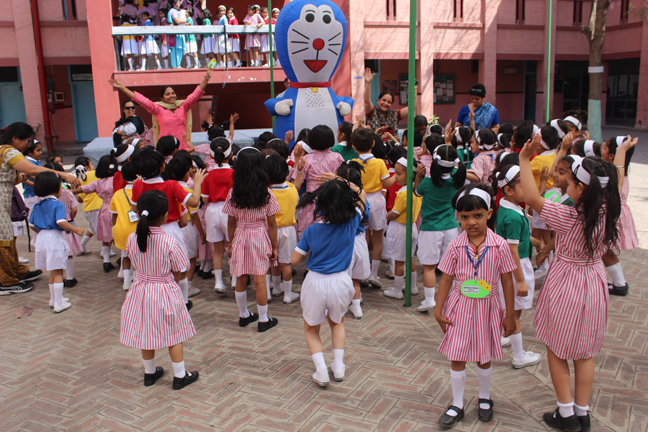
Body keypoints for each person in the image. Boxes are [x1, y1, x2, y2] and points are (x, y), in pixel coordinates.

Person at [519, 135, 620, 431]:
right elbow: (617, 174)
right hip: (595, 280)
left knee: (557, 348)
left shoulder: (569, 215)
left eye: (571, 182)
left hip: (567, 280)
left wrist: (524, 159)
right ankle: (582, 412)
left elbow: (532, 199)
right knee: (585, 352)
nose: (565, 184)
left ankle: (565, 413)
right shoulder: (609, 210)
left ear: (582, 188)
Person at [435, 184, 517, 428]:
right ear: (458, 217)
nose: (471, 222)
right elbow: (446, 279)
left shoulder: (500, 245)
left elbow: (507, 281)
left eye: (478, 215)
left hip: (488, 307)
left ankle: (484, 397)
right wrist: (438, 310)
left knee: (484, 355)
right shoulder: (455, 245)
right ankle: (457, 403)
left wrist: (510, 315)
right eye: (465, 217)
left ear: (489, 214)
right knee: (457, 354)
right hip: (459, 307)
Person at [119, 190, 199, 391]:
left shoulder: (132, 238)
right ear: (165, 216)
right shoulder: (169, 240)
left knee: (146, 331)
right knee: (174, 333)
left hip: (140, 289)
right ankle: (180, 376)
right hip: (164, 289)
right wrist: (172, 283)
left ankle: (149, 373)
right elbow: (180, 269)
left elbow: (131, 259)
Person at [292, 177, 367, 386]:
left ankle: (321, 370)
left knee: (311, 328)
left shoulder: (312, 230)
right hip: (341, 281)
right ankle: (339, 366)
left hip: (315, 282)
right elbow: (362, 194)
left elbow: (294, 259)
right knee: (337, 322)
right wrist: (340, 179)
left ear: (321, 204)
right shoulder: (352, 222)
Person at [1, 123, 81, 293]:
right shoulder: (8, 151)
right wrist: (63, 175)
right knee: (4, 238)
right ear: (14, 138)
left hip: (5, 202)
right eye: (26, 141)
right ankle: (4, 280)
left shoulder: (5, 151)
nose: (27, 145)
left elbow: (26, 173)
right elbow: (31, 169)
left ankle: (13, 271)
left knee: (8, 236)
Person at [130, 146, 206, 310]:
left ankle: (163, 301)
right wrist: (198, 183)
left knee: (156, 268)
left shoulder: (137, 185)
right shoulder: (171, 185)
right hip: (171, 230)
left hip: (148, 229)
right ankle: (183, 301)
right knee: (180, 268)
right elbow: (194, 202)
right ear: (162, 167)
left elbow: (135, 208)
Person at [223, 147, 280, 333]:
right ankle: (263, 319)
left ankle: (243, 315)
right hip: (259, 235)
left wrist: (230, 243)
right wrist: (274, 246)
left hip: (240, 234)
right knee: (260, 279)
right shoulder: (266, 193)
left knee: (240, 277)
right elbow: (272, 223)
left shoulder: (233, 193)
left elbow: (231, 222)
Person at [493, 165, 542, 369]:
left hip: (511, 266)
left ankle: (503, 337)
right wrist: (521, 280)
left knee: (510, 311)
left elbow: (516, 239)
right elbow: (512, 250)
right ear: (509, 190)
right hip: (516, 267)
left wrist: (534, 242)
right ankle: (519, 356)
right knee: (514, 314)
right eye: (524, 185)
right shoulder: (513, 216)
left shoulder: (508, 208)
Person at [413, 145, 465, 313]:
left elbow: (417, 192)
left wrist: (418, 176)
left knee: (429, 266)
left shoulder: (427, 183)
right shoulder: (457, 179)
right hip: (451, 228)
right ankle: (453, 298)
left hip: (430, 228)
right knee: (451, 267)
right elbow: (456, 166)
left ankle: (429, 300)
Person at [108, 68, 214, 151]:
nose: (172, 95)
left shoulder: (183, 107)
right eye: (168, 94)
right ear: (162, 99)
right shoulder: (158, 109)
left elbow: (196, 94)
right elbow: (141, 99)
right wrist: (122, 88)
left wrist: (207, 78)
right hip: (165, 150)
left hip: (183, 149)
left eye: (173, 93)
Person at [28, 172, 85, 313]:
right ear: (55, 188)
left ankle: (53, 299)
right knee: (58, 271)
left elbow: (31, 224)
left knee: (52, 271)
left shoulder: (37, 205)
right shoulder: (58, 205)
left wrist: (42, 230)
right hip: (54, 238)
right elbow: (60, 221)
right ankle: (58, 304)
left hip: (42, 238)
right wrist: (75, 229)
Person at [351, 128, 396, 288]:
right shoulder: (379, 162)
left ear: (354, 146)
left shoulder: (352, 163)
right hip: (377, 200)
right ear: (373, 143)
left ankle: (362, 272)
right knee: (378, 239)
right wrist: (397, 175)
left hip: (359, 199)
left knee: (362, 237)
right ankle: (373, 274)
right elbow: (387, 184)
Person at [601, 136, 638, 296]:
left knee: (604, 250)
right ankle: (619, 282)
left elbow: (617, 170)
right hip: (616, 214)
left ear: (612, 156)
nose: (600, 149)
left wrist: (621, 149)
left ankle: (619, 284)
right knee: (605, 250)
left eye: (604, 148)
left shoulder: (616, 175)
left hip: (612, 216)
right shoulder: (621, 174)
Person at [382, 157, 422, 300]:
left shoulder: (404, 193)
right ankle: (413, 287)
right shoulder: (416, 190)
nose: (396, 177)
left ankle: (397, 290)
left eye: (399, 174)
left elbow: (395, 213)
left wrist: (389, 215)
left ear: (410, 174)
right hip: (411, 228)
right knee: (410, 259)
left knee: (399, 261)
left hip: (400, 229)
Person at [166, 155, 204, 299]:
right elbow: (194, 215)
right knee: (190, 258)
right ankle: (188, 286)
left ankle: (175, 287)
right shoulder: (187, 191)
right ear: (187, 174)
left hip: (171, 227)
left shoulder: (167, 187)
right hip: (186, 227)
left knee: (173, 260)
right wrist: (202, 233)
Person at [293, 126, 344, 232]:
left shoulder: (306, 159)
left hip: (312, 201)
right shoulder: (338, 157)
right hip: (333, 199)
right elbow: (344, 180)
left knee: (312, 234)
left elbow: (296, 186)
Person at [72, 155, 118, 273]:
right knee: (121, 234)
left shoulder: (98, 183)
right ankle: (124, 261)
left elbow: (82, 189)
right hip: (117, 209)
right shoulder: (117, 179)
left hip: (104, 210)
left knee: (106, 237)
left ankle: (106, 261)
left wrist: (66, 189)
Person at [201, 138, 234, 293]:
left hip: (212, 210)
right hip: (230, 210)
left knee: (217, 249)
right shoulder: (234, 173)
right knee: (233, 245)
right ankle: (235, 279)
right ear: (231, 154)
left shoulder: (207, 175)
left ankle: (218, 282)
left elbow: (204, 199)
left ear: (211, 155)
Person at [266, 155, 299, 304]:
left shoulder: (266, 192)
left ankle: (272, 289)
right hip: (287, 230)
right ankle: (287, 294)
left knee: (270, 262)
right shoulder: (292, 189)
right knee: (286, 263)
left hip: (268, 230)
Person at [47, 163, 82, 288]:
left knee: (55, 254)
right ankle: (70, 278)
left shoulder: (43, 196)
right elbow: (74, 209)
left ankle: (57, 279)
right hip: (67, 225)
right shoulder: (67, 191)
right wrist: (70, 218)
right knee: (69, 253)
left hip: (51, 228)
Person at [109, 162, 139, 291]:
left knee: (125, 255)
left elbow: (114, 215)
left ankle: (126, 281)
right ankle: (137, 278)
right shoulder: (141, 190)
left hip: (121, 229)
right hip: (138, 229)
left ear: (122, 177)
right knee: (139, 256)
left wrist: (114, 229)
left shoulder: (117, 194)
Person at [363, 68, 412, 136]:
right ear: (378, 100)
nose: (386, 103)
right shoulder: (372, 112)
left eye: (389, 102)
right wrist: (368, 83)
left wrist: (414, 89)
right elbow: (367, 100)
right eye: (384, 100)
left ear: (391, 104)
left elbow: (411, 108)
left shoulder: (395, 114)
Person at [74, 157, 102, 255]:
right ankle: (106, 251)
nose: (93, 166)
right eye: (91, 164)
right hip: (97, 207)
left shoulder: (79, 179)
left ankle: (81, 247)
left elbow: (79, 199)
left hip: (87, 209)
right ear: (86, 167)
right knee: (102, 230)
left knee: (92, 229)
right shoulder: (95, 174)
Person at [167, 0, 187, 69]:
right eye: (178, 3)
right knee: (176, 50)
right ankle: (176, 66)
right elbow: (177, 20)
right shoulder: (173, 11)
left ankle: (177, 65)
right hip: (175, 36)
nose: (179, 4)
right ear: (174, 4)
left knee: (178, 50)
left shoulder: (174, 11)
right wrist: (185, 20)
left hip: (177, 35)